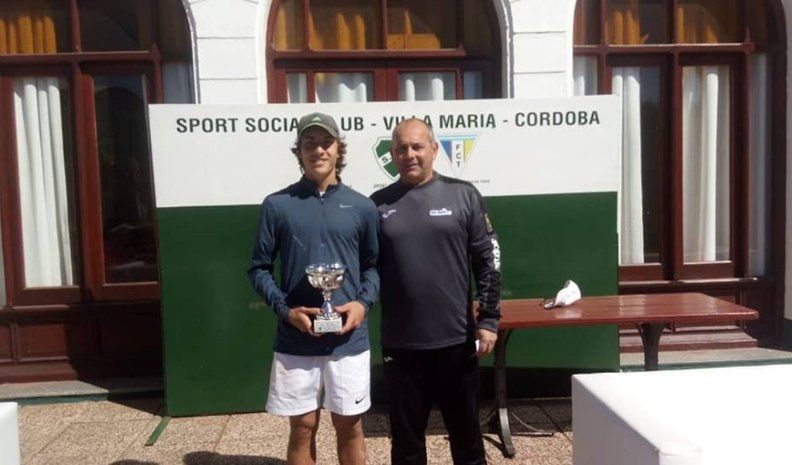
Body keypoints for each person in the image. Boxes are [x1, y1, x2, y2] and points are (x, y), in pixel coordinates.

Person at [248, 112, 379, 465]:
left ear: (339, 149)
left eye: (326, 143)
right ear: (299, 151)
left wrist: (363, 305)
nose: (318, 150)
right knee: (303, 425)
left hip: (349, 338)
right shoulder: (277, 205)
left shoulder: (363, 206)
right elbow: (258, 269)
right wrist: (286, 311)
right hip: (296, 336)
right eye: (309, 144)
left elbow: (374, 267)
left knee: (349, 424)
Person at [370, 118, 502, 465]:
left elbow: (489, 260)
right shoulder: (377, 205)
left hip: (455, 343)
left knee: (468, 442)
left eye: (416, 146)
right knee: (407, 446)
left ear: (433, 149)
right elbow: (365, 270)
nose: (409, 154)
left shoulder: (463, 195)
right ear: (392, 154)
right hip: (402, 348)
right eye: (401, 148)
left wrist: (488, 319)